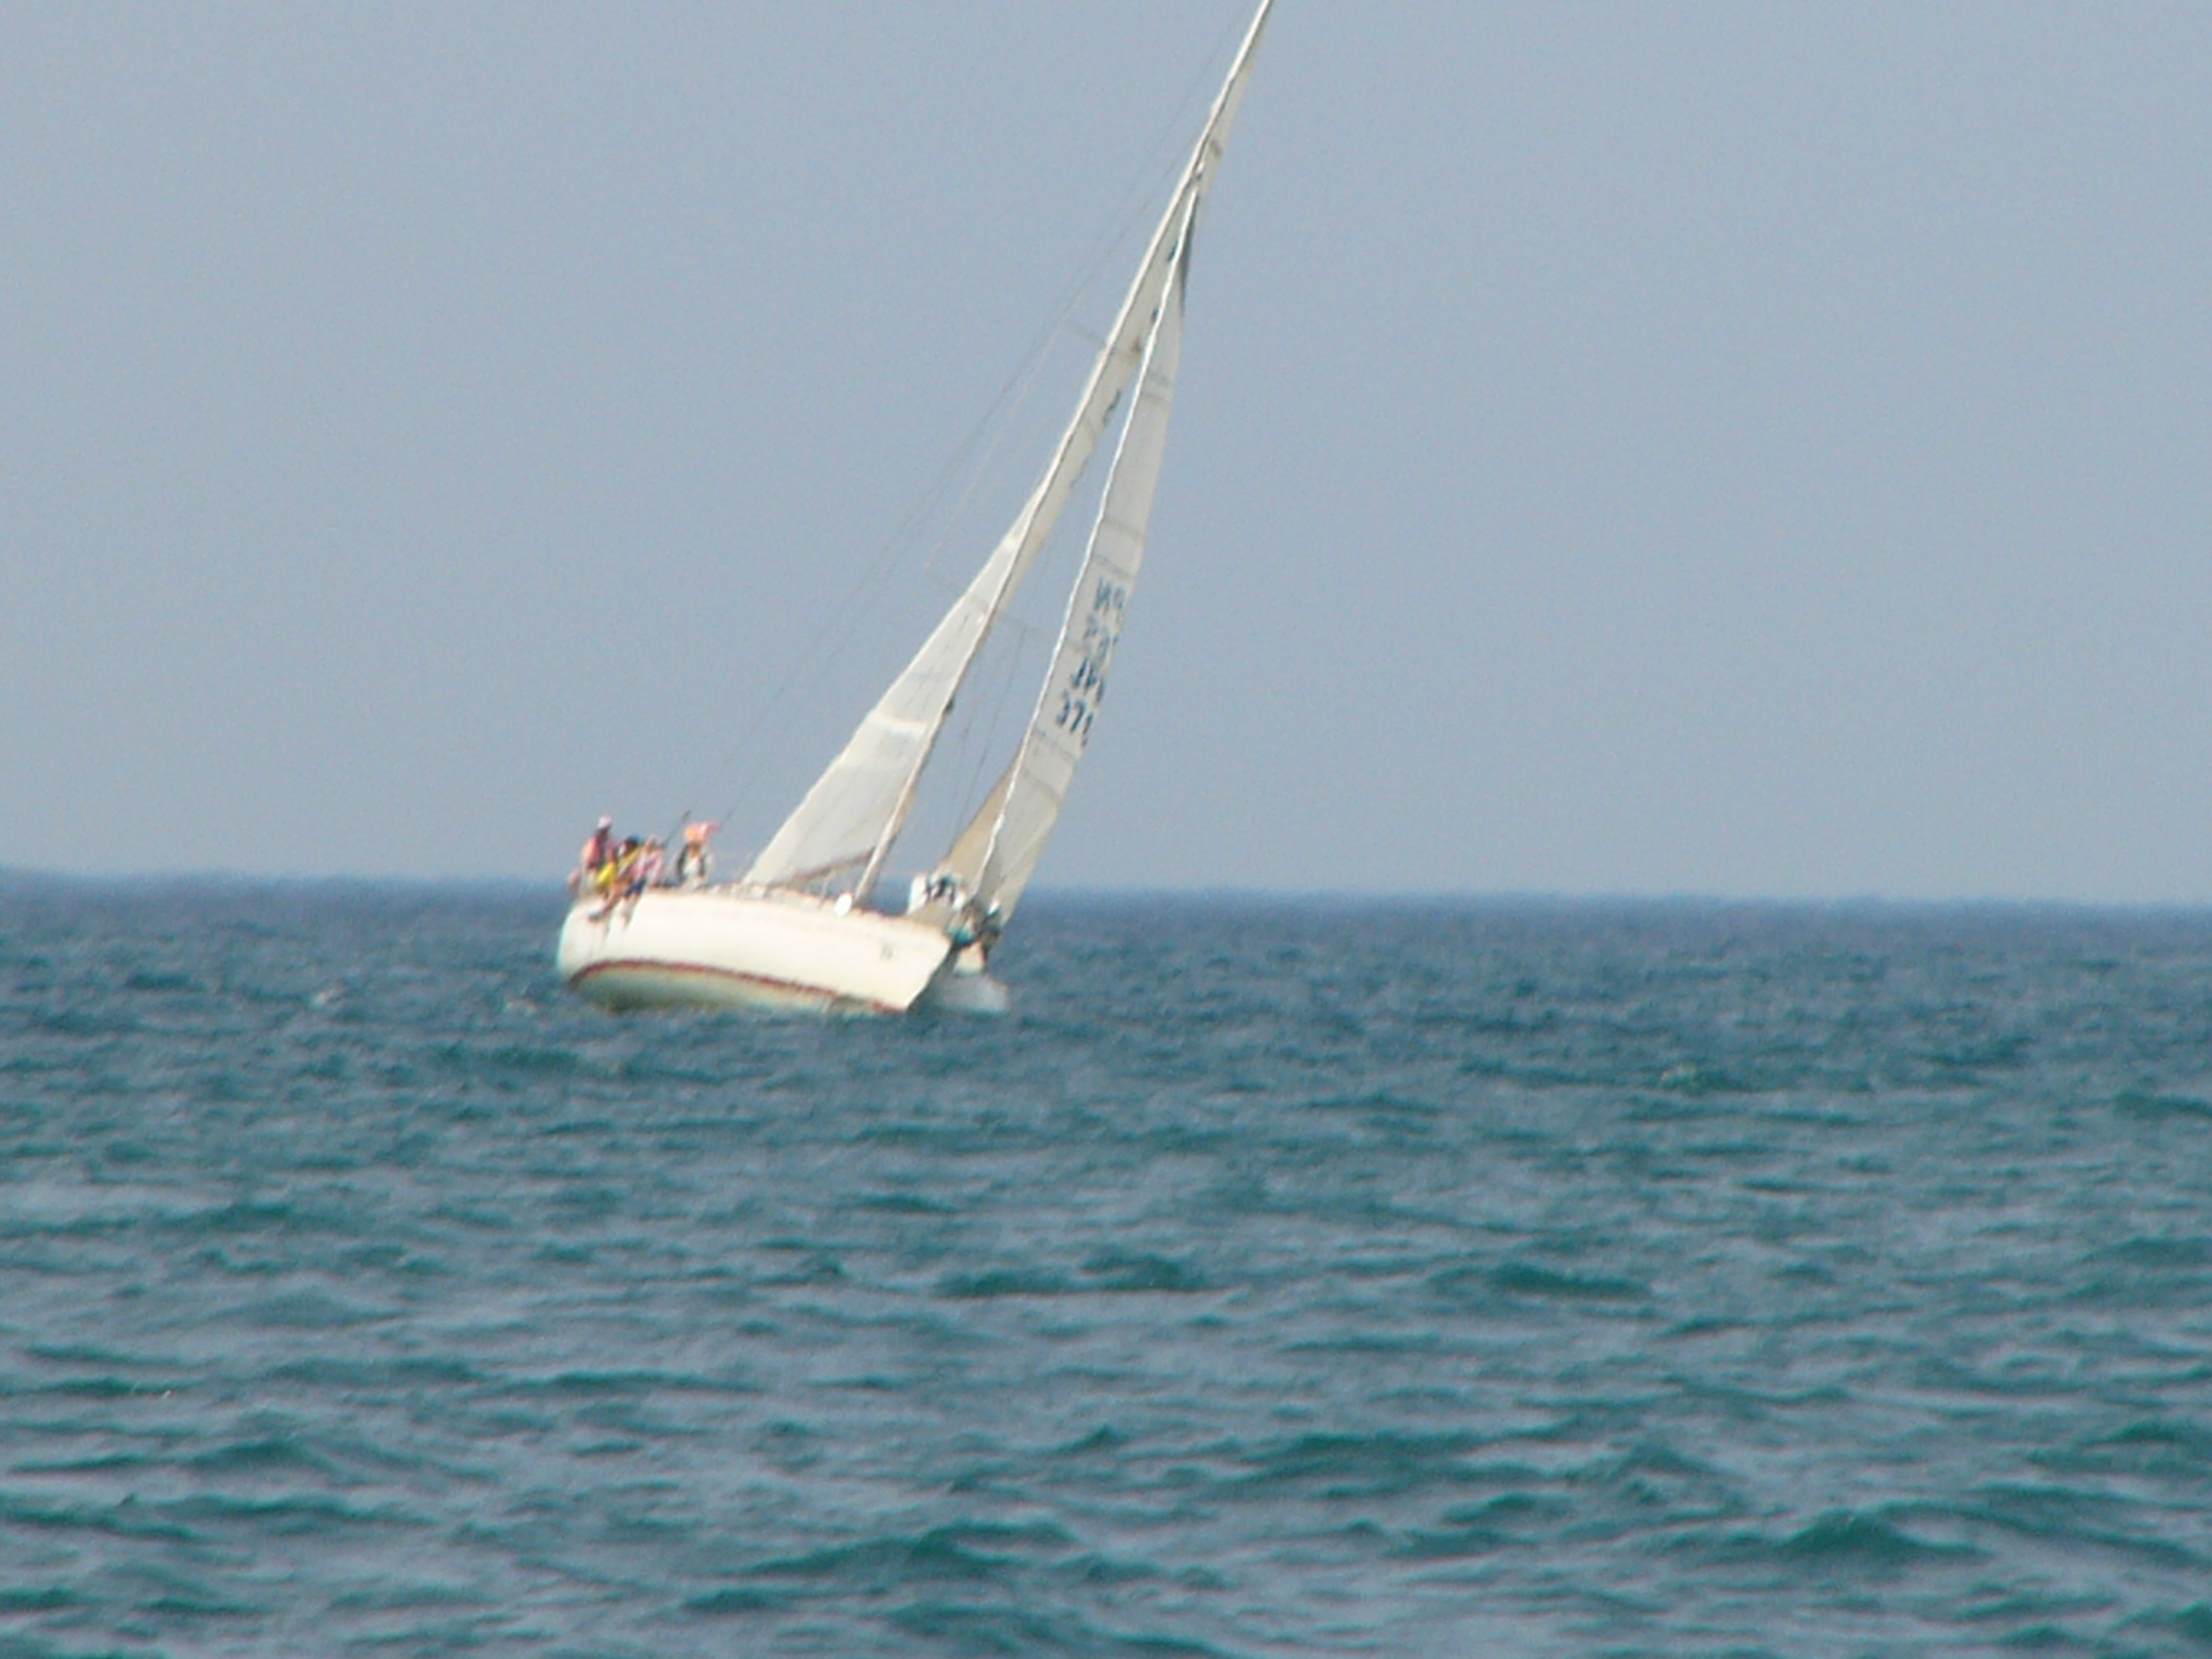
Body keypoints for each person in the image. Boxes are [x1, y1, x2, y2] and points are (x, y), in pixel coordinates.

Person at [676, 820, 718, 887]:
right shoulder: (691, 850)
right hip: (689, 879)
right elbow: (681, 864)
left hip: (692, 879)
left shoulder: (697, 850)